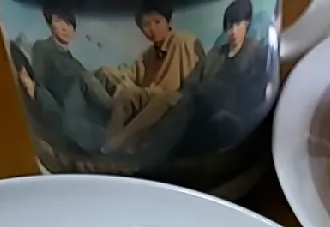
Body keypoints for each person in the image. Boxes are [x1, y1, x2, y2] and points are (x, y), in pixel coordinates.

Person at [101, 1, 206, 153]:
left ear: (168, 21)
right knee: (125, 95)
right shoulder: (147, 55)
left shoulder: (184, 41)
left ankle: (118, 144)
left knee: (165, 99)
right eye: (146, 25)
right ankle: (107, 145)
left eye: (157, 22)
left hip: (177, 100)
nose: (152, 29)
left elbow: (196, 80)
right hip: (151, 96)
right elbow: (130, 76)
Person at [178, 0, 274, 155]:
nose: (233, 31)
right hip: (202, 109)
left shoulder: (256, 52)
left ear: (247, 24)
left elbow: (256, 88)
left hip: (235, 119)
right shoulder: (215, 54)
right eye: (229, 26)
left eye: (238, 24)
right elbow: (192, 80)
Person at [18, 3, 113, 155]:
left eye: (68, 24)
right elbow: (41, 82)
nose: (64, 28)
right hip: (64, 106)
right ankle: (115, 110)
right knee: (87, 77)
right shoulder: (43, 47)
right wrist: (34, 89)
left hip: (82, 106)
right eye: (58, 21)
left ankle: (116, 114)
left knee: (103, 75)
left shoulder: (74, 61)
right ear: (50, 24)